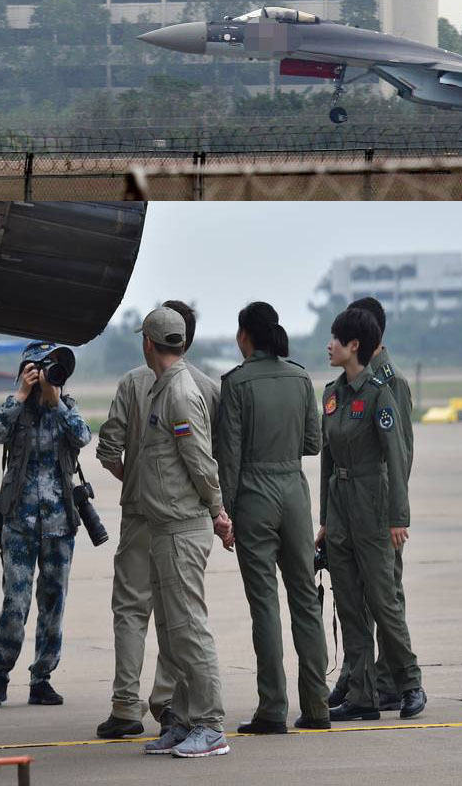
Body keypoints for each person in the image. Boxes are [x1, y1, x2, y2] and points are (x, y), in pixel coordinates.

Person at [95, 301, 220, 739]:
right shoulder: (206, 386)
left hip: (144, 515)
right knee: (177, 614)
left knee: (135, 609)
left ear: (150, 340)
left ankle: (126, 705)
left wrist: (139, 481)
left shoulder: (134, 382)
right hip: (186, 513)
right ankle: (169, 704)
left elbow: (109, 450)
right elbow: (213, 453)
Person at [215, 302, 332, 735]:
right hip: (294, 494)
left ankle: (272, 708)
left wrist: (223, 512)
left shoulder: (237, 383)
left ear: (246, 335)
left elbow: (229, 456)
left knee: (264, 604)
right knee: (305, 599)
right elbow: (314, 443)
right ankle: (318, 705)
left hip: (254, 495)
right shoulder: (301, 378)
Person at [316, 309, 426, 721]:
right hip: (341, 510)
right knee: (349, 605)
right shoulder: (331, 394)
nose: (330, 345)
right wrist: (325, 520)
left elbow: (397, 456)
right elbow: (327, 458)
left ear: (354, 346)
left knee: (383, 601)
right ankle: (362, 694)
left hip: (374, 507)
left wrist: (399, 518)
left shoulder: (380, 393)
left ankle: (409, 682)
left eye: (336, 339)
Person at [134, 307, 233, 759]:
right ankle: (185, 720)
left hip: (181, 528)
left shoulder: (180, 394)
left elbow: (198, 459)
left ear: (148, 344)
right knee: (173, 636)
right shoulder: (165, 388)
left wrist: (217, 511)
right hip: (163, 526)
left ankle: (210, 726)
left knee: (189, 629)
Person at [0, 342, 91, 708]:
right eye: (40, 366)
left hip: (60, 523)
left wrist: (55, 399)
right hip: (19, 522)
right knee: (15, 601)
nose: (46, 372)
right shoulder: (16, 410)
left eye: (52, 366)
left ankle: (42, 678)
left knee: (53, 603)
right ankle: (0, 675)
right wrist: (22, 393)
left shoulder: (65, 408)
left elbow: (83, 437)